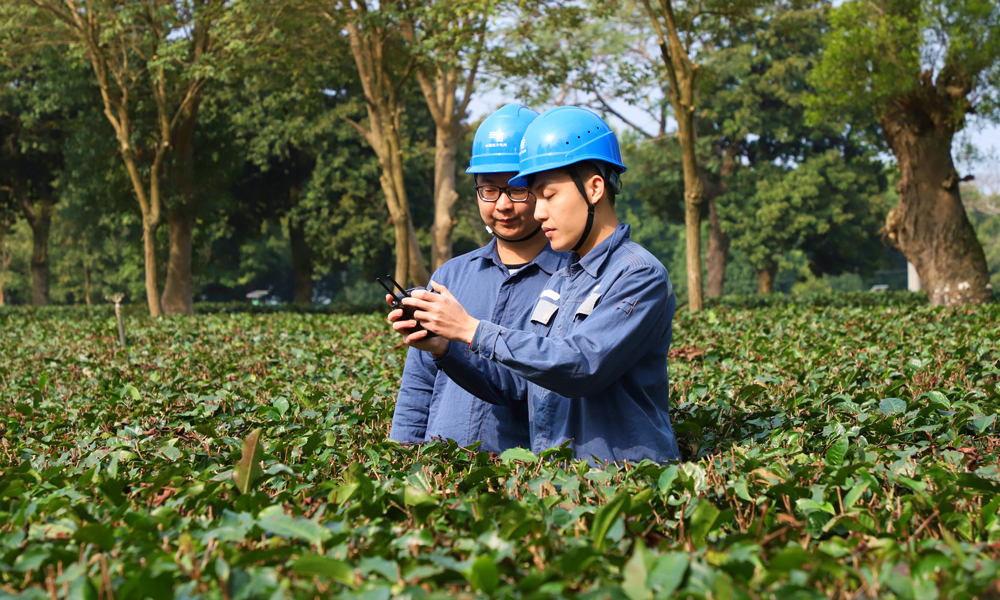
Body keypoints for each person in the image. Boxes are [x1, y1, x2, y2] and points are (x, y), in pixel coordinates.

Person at [392, 106, 680, 464]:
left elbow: (580, 365)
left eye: (548, 195)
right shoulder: (563, 279)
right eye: (535, 196)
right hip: (559, 484)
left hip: (623, 483)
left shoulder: (639, 274)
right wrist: (445, 348)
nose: (538, 211)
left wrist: (471, 329)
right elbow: (516, 385)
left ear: (594, 188)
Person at [388, 104, 569, 453]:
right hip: (441, 470)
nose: (502, 205)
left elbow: (541, 383)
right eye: (489, 189)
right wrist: (402, 456)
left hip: (521, 473)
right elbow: (418, 384)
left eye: (517, 189)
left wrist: (453, 346)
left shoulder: (572, 279)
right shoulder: (450, 277)